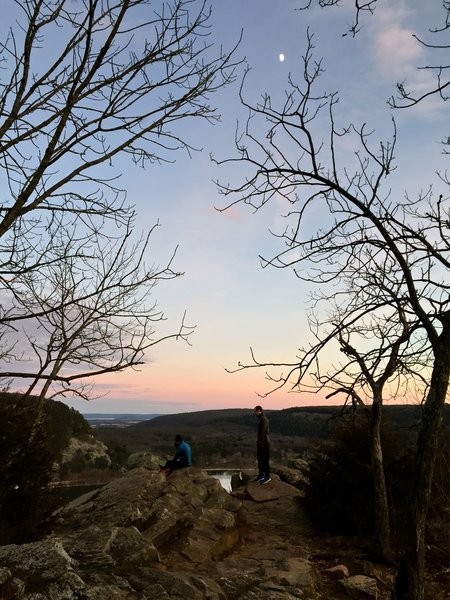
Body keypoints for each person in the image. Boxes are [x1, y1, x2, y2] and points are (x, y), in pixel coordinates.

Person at [254, 405, 271, 484]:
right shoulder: (261, 419)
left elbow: (263, 433)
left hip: (264, 443)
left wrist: (260, 444)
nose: (254, 413)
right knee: (260, 460)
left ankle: (267, 477)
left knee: (264, 460)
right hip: (261, 443)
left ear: (259, 411)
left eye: (255, 411)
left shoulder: (263, 419)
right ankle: (261, 475)